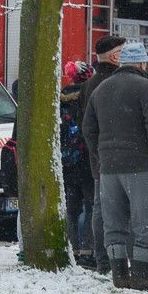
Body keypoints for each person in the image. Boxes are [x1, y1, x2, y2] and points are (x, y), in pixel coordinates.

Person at [82, 41, 148, 292]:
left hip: (108, 168)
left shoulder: (101, 89)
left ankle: (119, 275)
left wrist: (102, 155)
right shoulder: (147, 87)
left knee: (114, 223)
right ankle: (143, 276)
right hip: (141, 166)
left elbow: (88, 129)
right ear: (142, 64)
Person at [79, 35, 127, 275]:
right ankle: (110, 259)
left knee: (100, 207)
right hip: (112, 155)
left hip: (98, 155)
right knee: (110, 208)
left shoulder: (90, 83)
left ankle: (103, 259)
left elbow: (86, 124)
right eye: (123, 51)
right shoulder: (114, 83)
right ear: (115, 56)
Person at [61, 60, 94, 267]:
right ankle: (87, 250)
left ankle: (72, 247)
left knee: (71, 208)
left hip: (67, 161)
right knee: (91, 206)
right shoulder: (89, 98)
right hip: (87, 161)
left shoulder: (61, 99)